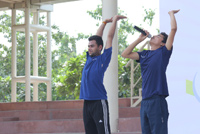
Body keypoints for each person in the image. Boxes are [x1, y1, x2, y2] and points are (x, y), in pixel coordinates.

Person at [121, 10, 180, 134]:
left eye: (158, 36)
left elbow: (173, 29)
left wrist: (170, 14)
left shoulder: (164, 52)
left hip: (157, 101)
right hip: (145, 102)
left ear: (163, 43)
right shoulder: (144, 54)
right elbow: (124, 54)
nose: (154, 36)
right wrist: (139, 39)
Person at [80, 15, 127, 134]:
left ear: (100, 47)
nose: (89, 48)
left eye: (92, 46)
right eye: (88, 46)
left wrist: (115, 20)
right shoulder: (88, 59)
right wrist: (104, 22)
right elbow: (97, 37)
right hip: (87, 103)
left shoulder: (103, 59)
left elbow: (109, 36)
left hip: (99, 102)